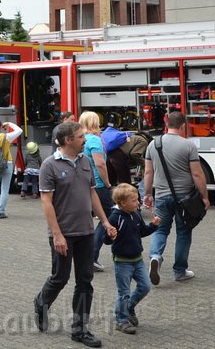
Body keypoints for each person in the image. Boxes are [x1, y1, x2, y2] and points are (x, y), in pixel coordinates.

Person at [33, 121, 117, 348]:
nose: (85, 139)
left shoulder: (85, 161)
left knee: (85, 280)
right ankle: (41, 302)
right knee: (60, 278)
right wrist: (57, 235)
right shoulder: (49, 166)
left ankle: (79, 329)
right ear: (68, 140)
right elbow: (46, 203)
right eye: (81, 137)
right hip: (64, 234)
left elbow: (92, 194)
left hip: (86, 231)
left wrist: (106, 221)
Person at [143, 111, 209, 285]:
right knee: (183, 232)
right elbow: (197, 173)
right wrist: (205, 196)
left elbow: (148, 172)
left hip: (162, 196)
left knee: (160, 230)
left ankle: (155, 256)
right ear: (182, 126)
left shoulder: (153, 144)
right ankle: (180, 271)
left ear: (166, 124)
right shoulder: (188, 145)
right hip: (185, 198)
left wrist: (148, 194)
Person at [103, 183, 161, 335]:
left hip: (138, 259)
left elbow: (141, 231)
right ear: (123, 203)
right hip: (122, 262)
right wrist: (111, 235)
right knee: (124, 292)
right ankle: (121, 321)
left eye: (138, 199)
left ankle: (129, 307)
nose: (138, 203)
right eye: (134, 200)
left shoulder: (135, 214)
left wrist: (153, 226)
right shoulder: (115, 218)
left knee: (145, 286)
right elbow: (106, 240)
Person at [81, 111, 112, 272]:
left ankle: (84, 256)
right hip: (98, 185)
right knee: (107, 217)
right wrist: (107, 183)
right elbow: (100, 164)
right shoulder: (94, 140)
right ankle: (91, 256)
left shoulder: (80, 140)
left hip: (82, 185)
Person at [0, 118, 22, 218]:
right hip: (7, 163)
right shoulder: (6, 137)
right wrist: (9, 123)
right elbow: (20, 131)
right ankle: (0, 211)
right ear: (0, 127)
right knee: (5, 189)